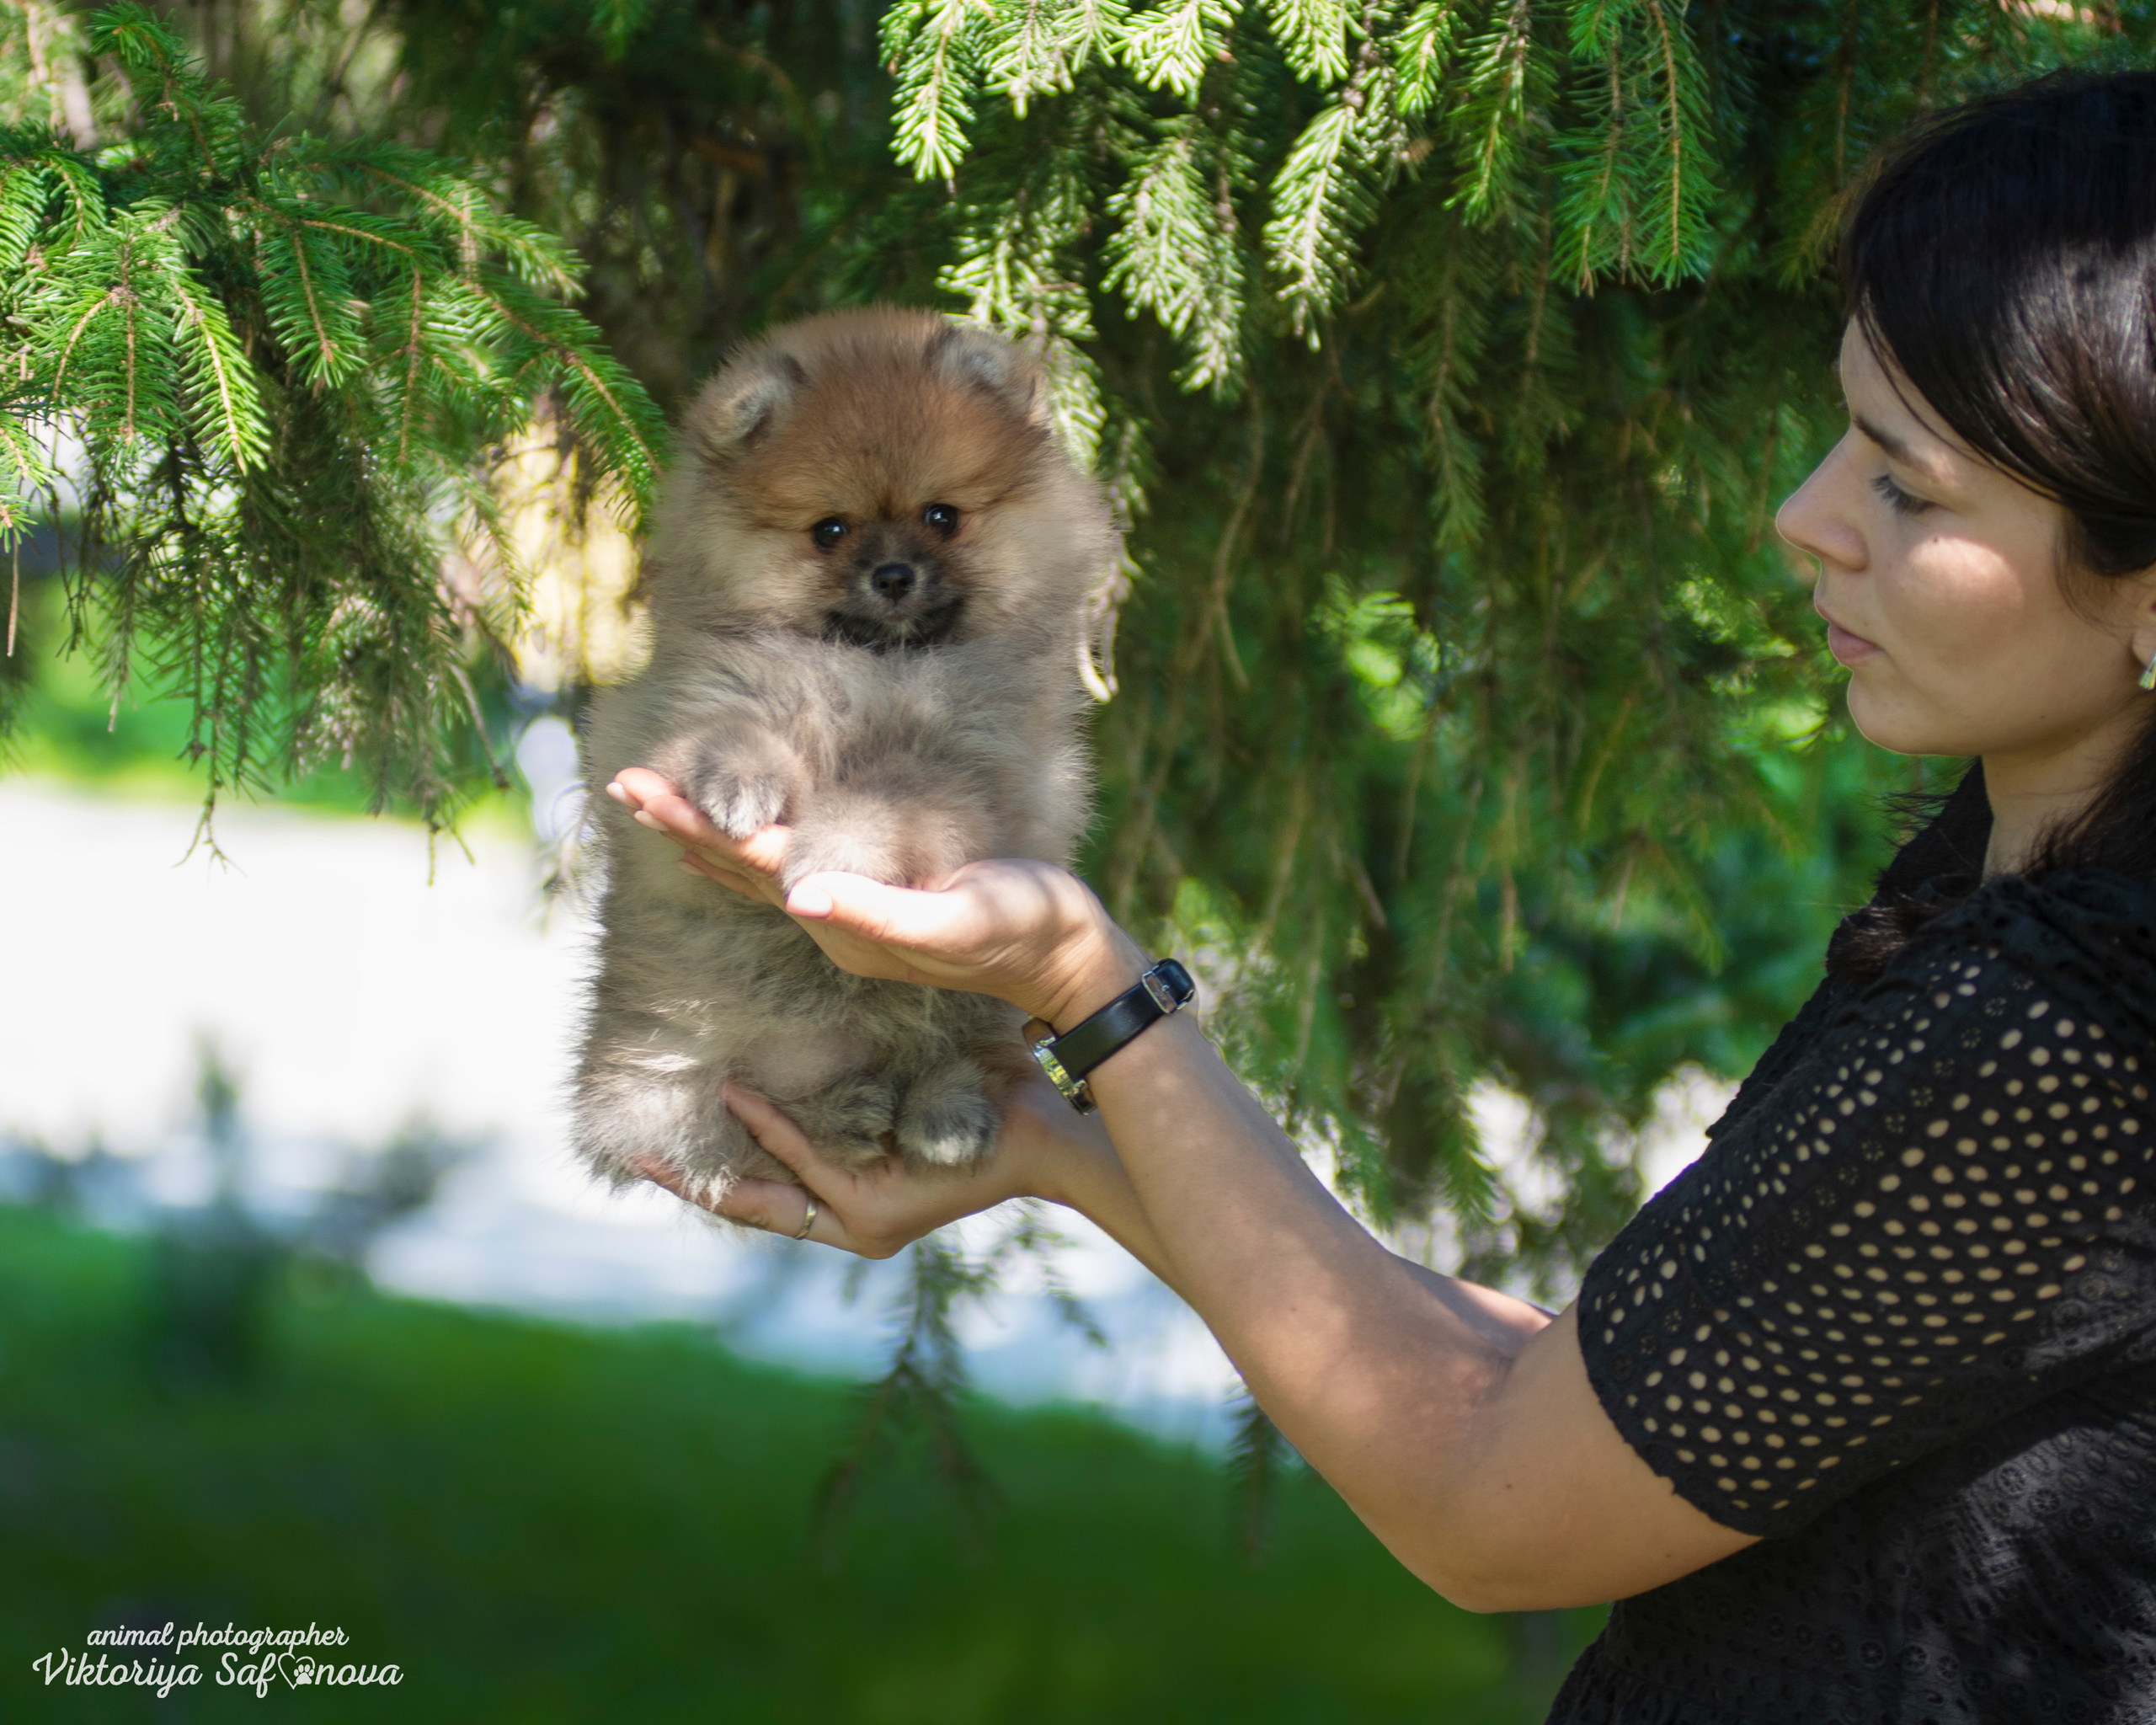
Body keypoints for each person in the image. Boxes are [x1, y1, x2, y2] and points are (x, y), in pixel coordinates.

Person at [605, 69, 2156, 1723]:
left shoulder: (2071, 1026)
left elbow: (1492, 1499)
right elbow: (1591, 1390)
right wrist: (1067, 1148)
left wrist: (1089, 987)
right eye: (1842, 435)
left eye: (1904, 486)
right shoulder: (2017, 882)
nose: (1801, 519)